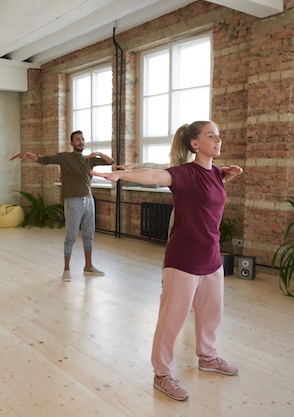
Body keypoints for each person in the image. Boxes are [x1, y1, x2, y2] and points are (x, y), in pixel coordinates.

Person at [91, 121, 243, 401]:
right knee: (171, 320)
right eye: (211, 135)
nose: (218, 139)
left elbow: (208, 196)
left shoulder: (217, 173)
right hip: (183, 259)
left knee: (212, 315)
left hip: (211, 256)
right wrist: (119, 176)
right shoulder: (184, 174)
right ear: (195, 144)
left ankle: (208, 357)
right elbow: (153, 175)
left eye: (219, 135)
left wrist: (227, 177)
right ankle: (162, 374)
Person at [10, 130, 114, 282]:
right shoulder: (65, 157)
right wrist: (27, 153)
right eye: (77, 140)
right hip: (73, 202)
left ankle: (89, 266)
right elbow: (43, 160)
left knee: (88, 235)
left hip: (89, 201)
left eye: (82, 139)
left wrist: (97, 153)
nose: (81, 142)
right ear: (72, 143)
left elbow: (110, 161)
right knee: (70, 236)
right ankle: (66, 269)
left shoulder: (89, 160)